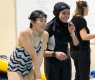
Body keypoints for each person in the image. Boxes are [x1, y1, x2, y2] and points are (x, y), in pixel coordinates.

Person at [7, 10, 48, 80]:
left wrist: (36, 74)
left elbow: (40, 56)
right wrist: (38, 77)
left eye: (45, 21)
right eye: (41, 21)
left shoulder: (45, 35)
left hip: (28, 68)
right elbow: (34, 55)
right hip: (15, 67)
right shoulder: (25, 33)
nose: (44, 23)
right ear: (32, 22)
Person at [44, 2, 80, 80]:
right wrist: (54, 54)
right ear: (57, 13)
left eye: (68, 13)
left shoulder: (69, 26)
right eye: (64, 13)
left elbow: (77, 47)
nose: (67, 16)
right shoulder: (49, 28)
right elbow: (40, 52)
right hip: (52, 63)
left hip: (66, 62)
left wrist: (72, 33)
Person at [70, 1, 95, 80]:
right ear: (84, 8)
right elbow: (84, 36)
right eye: (88, 8)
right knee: (84, 76)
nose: (88, 10)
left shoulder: (73, 19)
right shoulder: (81, 20)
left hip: (74, 51)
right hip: (82, 51)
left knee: (78, 76)